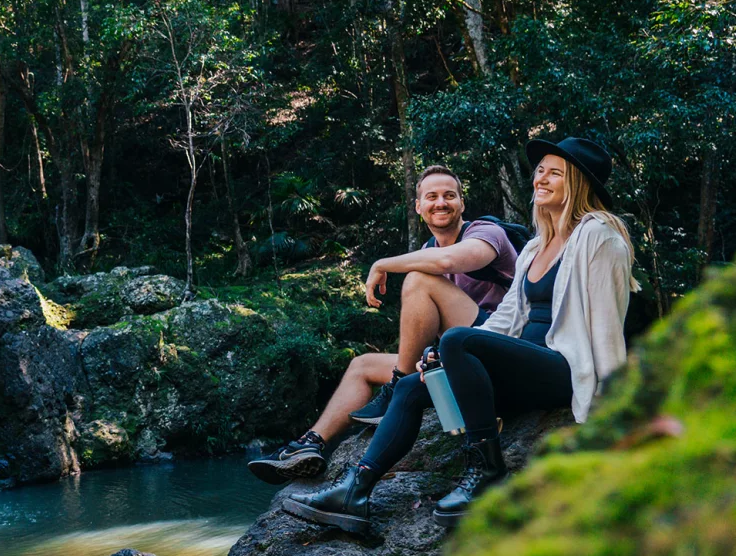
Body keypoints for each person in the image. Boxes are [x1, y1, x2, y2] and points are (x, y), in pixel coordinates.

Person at [282, 137, 636, 532]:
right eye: (539, 170)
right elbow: (506, 318)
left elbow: (608, 327)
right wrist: (447, 358)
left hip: (563, 368)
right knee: (415, 384)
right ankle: (354, 489)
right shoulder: (537, 246)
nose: (541, 178)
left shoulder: (601, 237)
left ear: (579, 184)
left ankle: (486, 471)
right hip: (524, 363)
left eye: (555, 172)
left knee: (456, 339)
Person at [248, 165, 518, 484]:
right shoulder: (427, 253)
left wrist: (381, 264)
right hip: (459, 356)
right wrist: (428, 355)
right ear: (419, 207)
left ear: (462, 203)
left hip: (501, 345)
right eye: (431, 197)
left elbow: (449, 262)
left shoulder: (486, 233)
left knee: (419, 279)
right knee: (362, 366)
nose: (440, 202)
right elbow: (432, 323)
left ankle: (397, 384)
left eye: (449, 195)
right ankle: (309, 445)